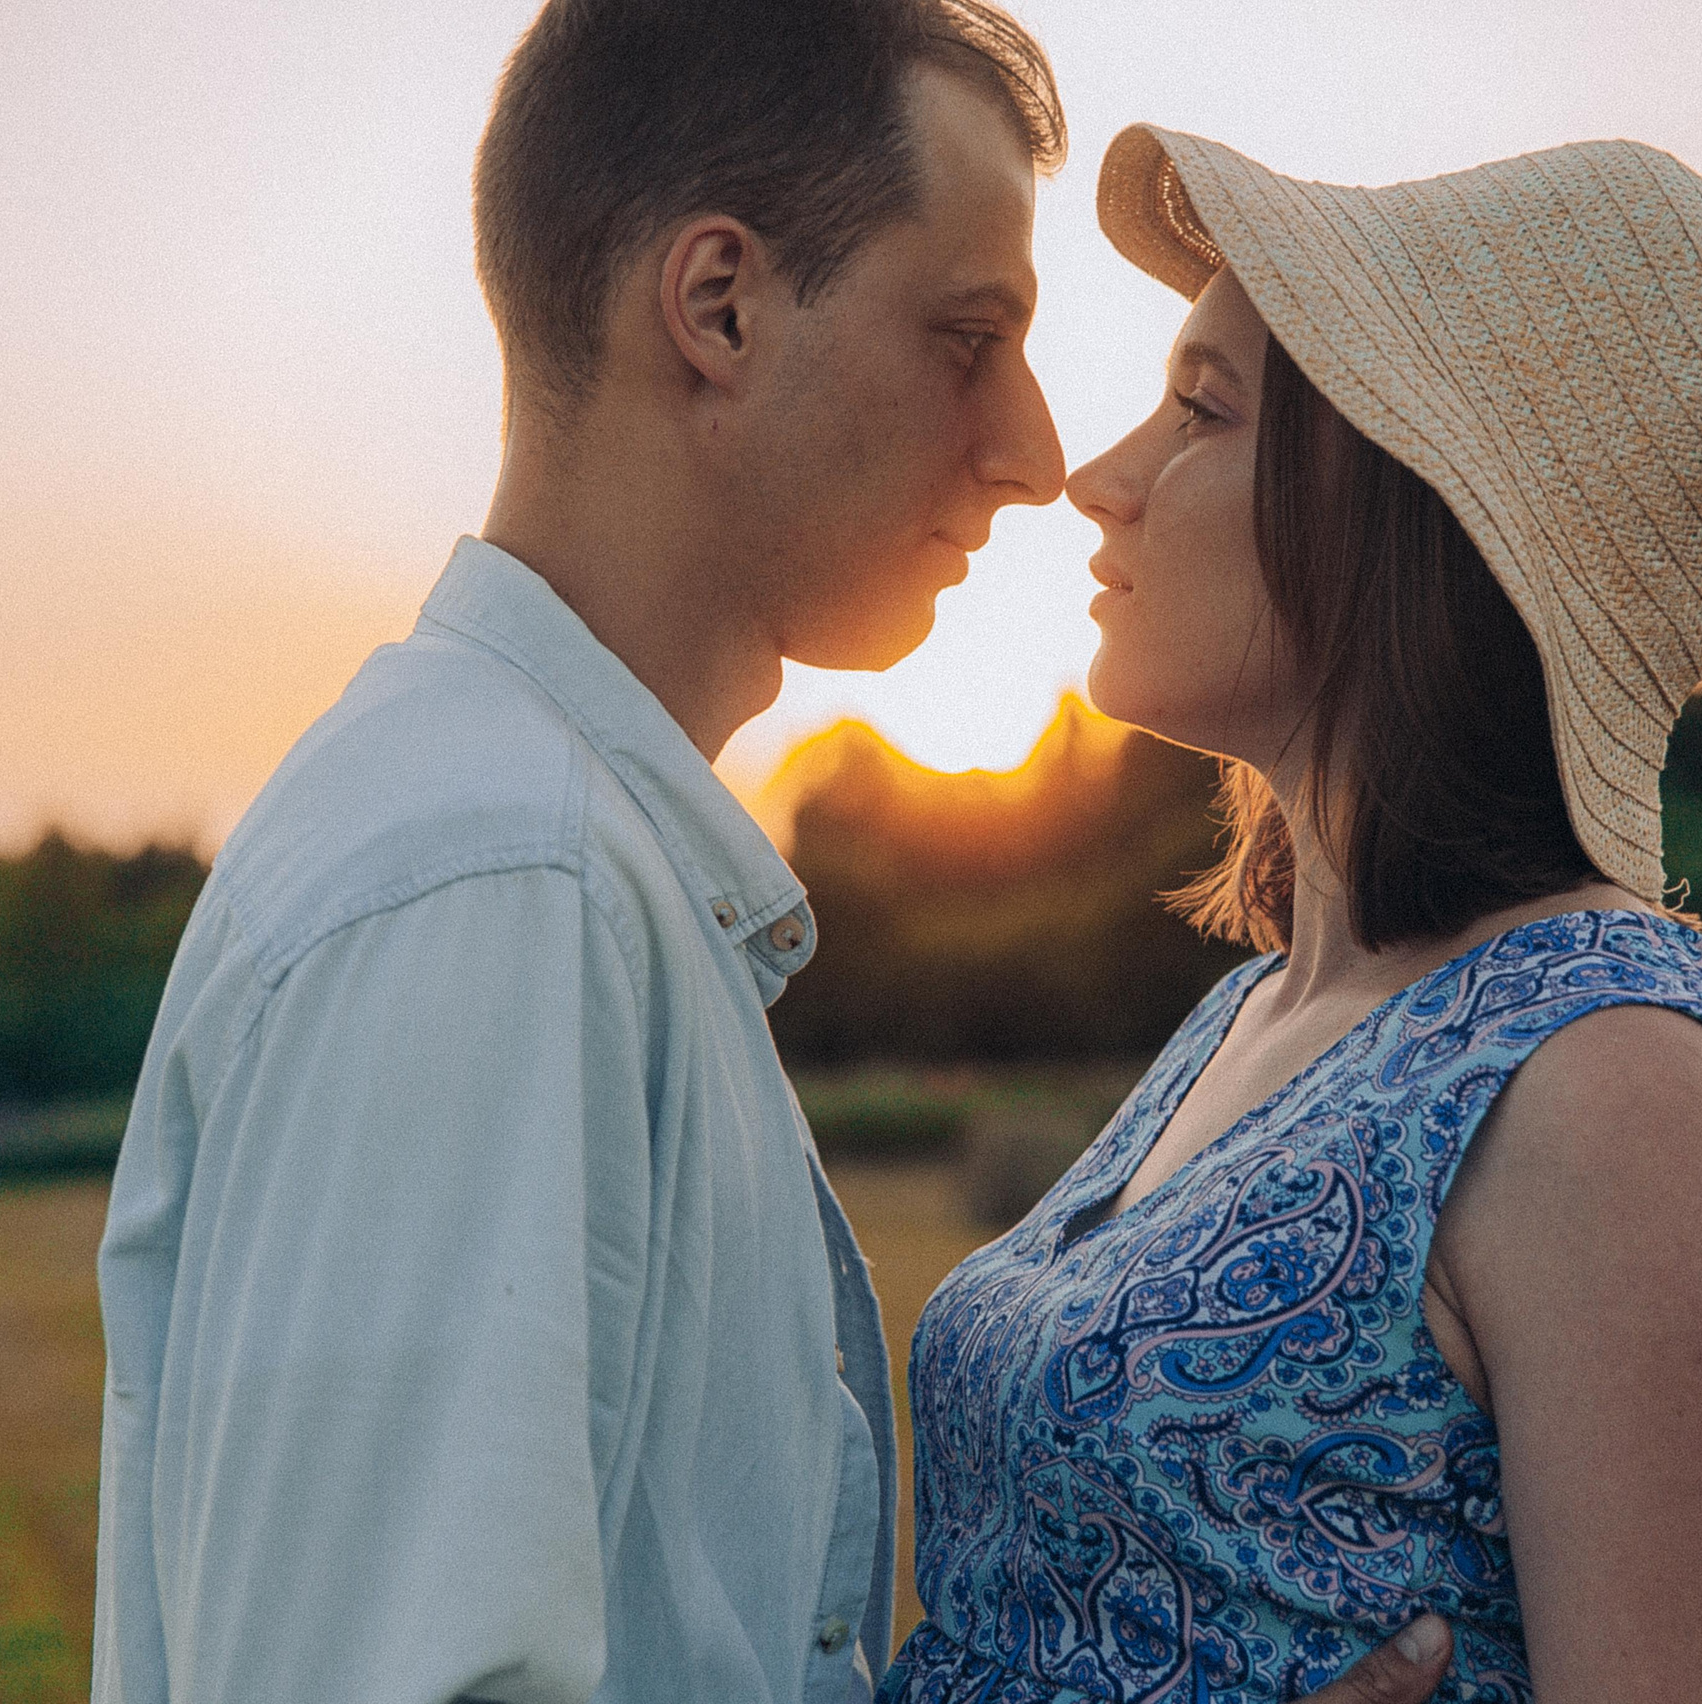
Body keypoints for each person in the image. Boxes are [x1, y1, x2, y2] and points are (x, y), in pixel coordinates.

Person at [91, 6, 1456, 1702]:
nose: (1035, 454)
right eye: (970, 337)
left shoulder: (564, 863)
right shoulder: (501, 886)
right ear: (719, 307)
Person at [878, 129, 1702, 1703]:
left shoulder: (1623, 1100)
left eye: (1202, 410)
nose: (1102, 475)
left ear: (1414, 517)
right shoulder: (1256, 1011)